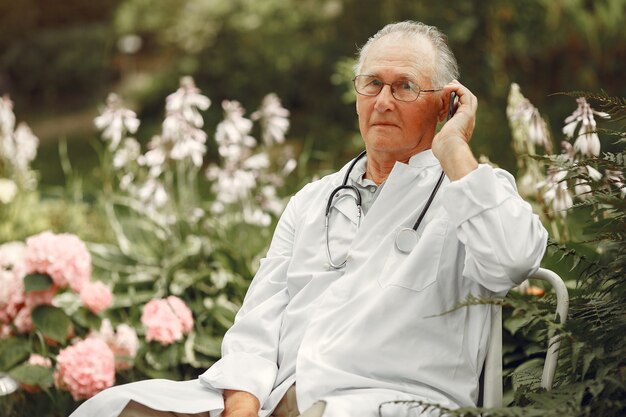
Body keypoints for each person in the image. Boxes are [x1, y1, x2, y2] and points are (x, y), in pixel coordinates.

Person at [71, 20, 547, 417]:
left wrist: (455, 150)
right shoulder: (313, 200)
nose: (383, 101)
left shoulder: (471, 189)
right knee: (112, 407)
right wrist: (241, 406)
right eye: (372, 84)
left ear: (446, 103)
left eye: (404, 86)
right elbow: (258, 323)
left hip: (383, 403)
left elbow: (513, 261)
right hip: (273, 401)